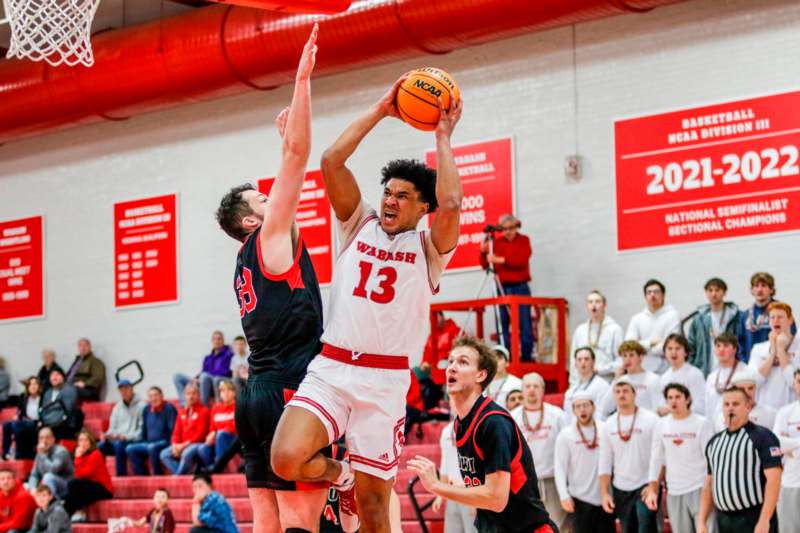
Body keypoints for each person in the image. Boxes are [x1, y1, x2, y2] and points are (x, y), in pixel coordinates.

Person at [273, 67, 463, 533]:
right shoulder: (357, 223)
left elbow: (454, 204)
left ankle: (357, 488)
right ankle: (342, 476)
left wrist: (443, 136)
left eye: (403, 195)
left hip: (384, 381)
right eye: (388, 192)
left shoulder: (428, 249)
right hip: (333, 367)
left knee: (377, 510)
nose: (392, 200)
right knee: (285, 458)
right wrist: (383, 108)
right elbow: (332, 161)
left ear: (422, 207)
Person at [215, 26, 331, 533]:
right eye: (263, 201)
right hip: (290, 390)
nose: (273, 199)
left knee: (266, 518)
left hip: (255, 394)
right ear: (249, 221)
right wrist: (301, 81)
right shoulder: (266, 242)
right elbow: (298, 158)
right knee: (301, 519)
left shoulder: (246, 259)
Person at [407, 337, 556, 532]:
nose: (451, 367)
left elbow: (496, 498)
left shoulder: (493, 422)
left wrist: (437, 486)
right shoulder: (462, 423)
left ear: (480, 375)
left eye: (462, 362)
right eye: (451, 361)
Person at [698, 386, 782, 533]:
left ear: (748, 407)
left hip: (753, 518)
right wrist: (701, 521)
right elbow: (709, 483)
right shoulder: (714, 443)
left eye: (735, 404)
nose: (730, 408)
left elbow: (774, 480)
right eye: (726, 404)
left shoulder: (763, 437)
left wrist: (764, 520)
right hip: (723, 519)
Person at [646, 383, 715, 533]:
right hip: (674, 490)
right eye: (670, 398)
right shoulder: (661, 424)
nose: (673, 401)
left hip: (700, 488)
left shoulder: (702, 423)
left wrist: (710, 488)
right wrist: (653, 488)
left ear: (688, 399)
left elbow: (712, 460)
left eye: (678, 397)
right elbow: (656, 458)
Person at [598, 376, 660, 533]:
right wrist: (604, 493)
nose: (621, 395)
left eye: (625, 391)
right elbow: (605, 461)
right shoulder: (609, 424)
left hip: (645, 485)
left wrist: (653, 486)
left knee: (646, 528)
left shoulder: (651, 419)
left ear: (634, 394)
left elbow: (657, 456)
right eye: (617, 391)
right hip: (621, 487)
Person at [511, 372, 567, 529]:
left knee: (556, 526)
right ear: (522, 391)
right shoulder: (512, 418)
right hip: (524, 484)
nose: (531, 390)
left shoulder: (557, 415)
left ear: (543, 390)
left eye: (536, 386)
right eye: (527, 386)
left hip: (552, 481)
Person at [554, 391, 615, 533]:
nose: (582, 409)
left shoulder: (605, 429)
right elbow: (559, 467)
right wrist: (564, 495)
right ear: (573, 410)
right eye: (578, 406)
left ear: (593, 407)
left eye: (586, 405)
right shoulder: (565, 435)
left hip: (605, 497)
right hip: (579, 499)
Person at [480, 214, 534, 361]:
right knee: (502, 324)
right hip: (502, 287)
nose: (508, 232)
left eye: (511, 228)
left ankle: (526, 358)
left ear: (516, 227)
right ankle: (506, 356)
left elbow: (521, 260)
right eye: (504, 229)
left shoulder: (524, 240)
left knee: (525, 324)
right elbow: (485, 265)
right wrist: (482, 251)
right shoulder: (496, 242)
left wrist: (499, 259)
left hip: (520, 287)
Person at [432, 404, 478, 533]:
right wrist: (440, 495)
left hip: (471, 492)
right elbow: (445, 464)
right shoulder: (447, 431)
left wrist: (476, 498)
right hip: (453, 492)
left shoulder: (478, 427)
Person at [747, 301, 799, 410]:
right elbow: (753, 383)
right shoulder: (758, 349)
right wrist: (773, 352)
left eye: (780, 317)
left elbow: (794, 382)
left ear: (790, 320)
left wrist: (781, 351)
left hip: (790, 411)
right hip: (764, 411)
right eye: (772, 317)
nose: (776, 320)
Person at [737, 272, 796, 363]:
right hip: (754, 366)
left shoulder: (782, 312)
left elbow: (793, 337)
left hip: (777, 365)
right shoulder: (745, 315)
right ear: (752, 290)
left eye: (764, 286)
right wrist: (745, 363)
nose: (759, 290)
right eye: (756, 286)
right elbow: (740, 343)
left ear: (771, 290)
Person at [625, 279, 681, 374]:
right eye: (649, 292)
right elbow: (629, 345)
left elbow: (669, 345)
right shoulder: (637, 318)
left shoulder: (673, 315)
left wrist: (642, 349)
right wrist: (651, 343)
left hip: (665, 369)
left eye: (656, 292)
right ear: (645, 297)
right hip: (640, 369)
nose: (652, 295)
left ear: (663, 295)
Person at [688, 278, 740, 377]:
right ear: (706, 293)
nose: (713, 294)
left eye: (717, 290)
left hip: (731, 368)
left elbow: (741, 342)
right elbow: (691, 346)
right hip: (705, 368)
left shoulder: (735, 316)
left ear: (724, 292)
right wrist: (693, 367)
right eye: (710, 290)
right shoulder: (699, 319)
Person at [569, 290, 624, 384]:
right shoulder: (580, 330)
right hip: (583, 383)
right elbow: (573, 361)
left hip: (606, 382)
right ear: (587, 306)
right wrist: (573, 384)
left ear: (604, 305)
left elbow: (621, 360)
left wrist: (599, 369)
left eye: (597, 301)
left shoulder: (615, 329)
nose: (594, 305)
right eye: (590, 302)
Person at [159, 382, 210, 475]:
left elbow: (201, 434)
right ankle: (183, 475)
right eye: (188, 394)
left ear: (198, 395)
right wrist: (175, 445)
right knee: (164, 454)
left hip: (197, 443)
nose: (191, 396)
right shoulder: (182, 412)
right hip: (182, 444)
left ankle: (178, 477)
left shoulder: (204, 411)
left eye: (193, 393)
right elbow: (176, 432)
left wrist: (183, 446)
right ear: (185, 396)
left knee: (186, 453)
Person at [599, 340, 660, 418]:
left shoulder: (653, 379)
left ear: (640, 357)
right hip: (623, 424)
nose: (627, 360)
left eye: (631, 355)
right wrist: (615, 380)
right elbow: (606, 408)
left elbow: (658, 409)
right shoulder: (620, 380)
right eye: (624, 356)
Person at [63, 430, 113, 522]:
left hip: (103, 489)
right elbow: (79, 475)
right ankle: (63, 521)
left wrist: (78, 458)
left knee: (73, 484)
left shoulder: (96, 454)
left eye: (86, 440)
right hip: (89, 486)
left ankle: (75, 513)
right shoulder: (82, 455)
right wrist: (79, 458)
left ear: (91, 442)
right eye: (81, 440)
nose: (83, 443)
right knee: (68, 496)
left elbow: (84, 474)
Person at [126, 386, 177, 475]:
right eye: (150, 396)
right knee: (130, 448)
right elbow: (144, 430)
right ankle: (142, 475)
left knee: (152, 447)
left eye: (156, 395)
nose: (153, 398)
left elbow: (173, 429)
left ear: (162, 396)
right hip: (149, 443)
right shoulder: (146, 409)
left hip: (165, 442)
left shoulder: (169, 408)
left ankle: (158, 475)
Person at [174, 331, 234, 407]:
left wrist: (205, 375)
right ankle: (184, 404)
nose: (217, 341)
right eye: (214, 339)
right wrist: (196, 379)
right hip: (204, 382)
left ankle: (204, 405)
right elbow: (203, 371)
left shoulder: (228, 355)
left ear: (223, 340)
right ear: (212, 341)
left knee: (205, 376)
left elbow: (226, 372)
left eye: (219, 339)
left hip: (217, 384)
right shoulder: (208, 358)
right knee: (177, 377)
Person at [99, 379, 144, 476]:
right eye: (121, 389)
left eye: (126, 388)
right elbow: (112, 428)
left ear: (132, 389)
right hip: (118, 439)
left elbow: (142, 430)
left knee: (119, 444)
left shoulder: (142, 406)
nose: (124, 391)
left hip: (134, 440)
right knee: (100, 445)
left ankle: (121, 475)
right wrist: (107, 435)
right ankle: (101, 476)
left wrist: (126, 437)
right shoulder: (117, 407)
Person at [774, 368, 800, 530]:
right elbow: (777, 444)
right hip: (790, 483)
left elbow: (785, 444)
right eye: (799, 381)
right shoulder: (785, 412)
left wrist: (793, 448)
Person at [417, 311, 461, 408]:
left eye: (436, 318)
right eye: (432, 319)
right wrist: (424, 363)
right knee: (415, 372)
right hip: (434, 369)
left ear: (442, 316)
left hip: (447, 367)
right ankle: (423, 409)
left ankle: (442, 403)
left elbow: (457, 352)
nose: (434, 321)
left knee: (442, 364)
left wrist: (434, 363)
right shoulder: (432, 335)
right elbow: (427, 351)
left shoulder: (454, 330)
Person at [656, 334, 707, 416]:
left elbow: (701, 406)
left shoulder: (695, 374)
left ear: (686, 352)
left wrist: (673, 409)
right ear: (665, 353)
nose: (673, 352)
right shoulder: (664, 378)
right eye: (670, 349)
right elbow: (662, 404)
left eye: (677, 348)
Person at [712, 369, 776, 432]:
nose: (747, 392)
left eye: (750, 388)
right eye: (742, 389)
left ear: (755, 388)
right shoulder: (721, 417)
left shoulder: (771, 414)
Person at [198, 380, 240, 473]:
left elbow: (237, 427)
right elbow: (212, 428)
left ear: (234, 393)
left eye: (229, 390)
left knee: (221, 435)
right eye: (223, 391)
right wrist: (211, 436)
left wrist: (217, 433)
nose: (226, 394)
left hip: (234, 440)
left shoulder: (239, 406)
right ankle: (213, 469)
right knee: (202, 448)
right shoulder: (216, 408)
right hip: (218, 438)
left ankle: (217, 465)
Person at [704, 333, 747, 422]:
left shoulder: (745, 372)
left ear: (734, 349)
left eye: (726, 346)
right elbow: (707, 408)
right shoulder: (711, 377)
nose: (721, 349)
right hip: (715, 427)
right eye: (718, 346)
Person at [563, 347, 610, 422]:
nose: (583, 362)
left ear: (593, 362)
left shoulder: (603, 386)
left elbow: (602, 414)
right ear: (575, 364)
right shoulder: (570, 392)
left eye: (586, 359)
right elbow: (567, 418)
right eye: (579, 359)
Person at [26, 427, 73, 499]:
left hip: (66, 485)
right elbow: (34, 475)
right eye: (41, 438)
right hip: (48, 486)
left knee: (48, 477)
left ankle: (51, 503)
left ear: (53, 439)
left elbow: (53, 470)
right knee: (26, 486)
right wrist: (33, 488)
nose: (44, 441)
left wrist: (42, 454)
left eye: (47, 437)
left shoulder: (61, 451)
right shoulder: (40, 454)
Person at [2, 376, 42, 460]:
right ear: (27, 387)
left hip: (35, 422)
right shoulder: (23, 397)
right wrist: (17, 416)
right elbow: (20, 411)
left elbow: (44, 412)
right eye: (30, 384)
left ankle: (18, 452)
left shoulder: (42, 398)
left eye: (35, 384)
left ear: (39, 386)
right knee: (6, 425)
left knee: (16, 425)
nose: (33, 386)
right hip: (24, 421)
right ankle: (6, 453)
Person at [41, 368, 81, 440]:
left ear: (63, 377)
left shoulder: (69, 390)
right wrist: (45, 421)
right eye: (52, 375)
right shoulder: (48, 393)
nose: (54, 377)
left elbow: (67, 410)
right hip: (49, 424)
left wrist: (50, 421)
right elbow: (44, 410)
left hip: (65, 424)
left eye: (57, 374)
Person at [485, 345, 522, 410]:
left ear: (507, 363)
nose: (496, 361)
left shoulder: (517, 383)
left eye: (499, 358)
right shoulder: (483, 383)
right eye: (493, 358)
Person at [0, 468, 36, 533]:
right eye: (2, 479)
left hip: (26, 529)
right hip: (7, 527)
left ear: (14, 480)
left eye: (9, 478)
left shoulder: (23, 496)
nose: (5, 482)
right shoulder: (1, 495)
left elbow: (18, 523)